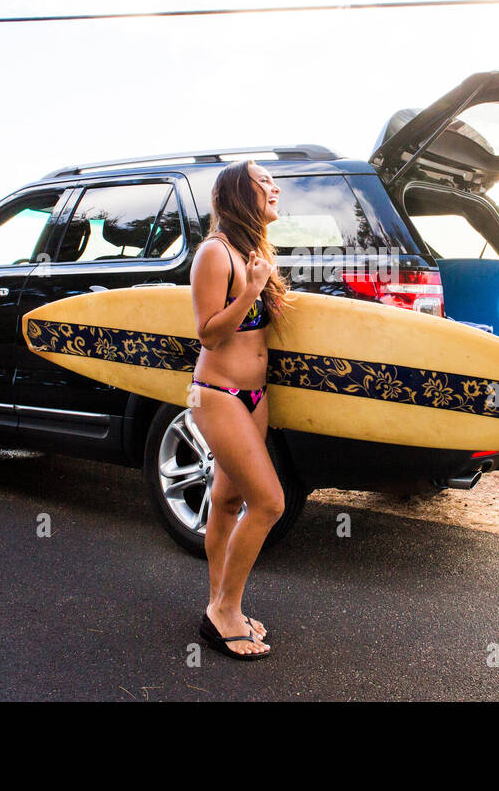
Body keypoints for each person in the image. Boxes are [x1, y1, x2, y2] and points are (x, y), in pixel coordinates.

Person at [188, 159, 288, 658]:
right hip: (218, 394)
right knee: (269, 502)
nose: (275, 186)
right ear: (237, 195)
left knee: (228, 502)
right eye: (263, 181)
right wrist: (250, 290)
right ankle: (224, 612)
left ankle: (218, 604)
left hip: (255, 396)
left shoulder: (254, 250)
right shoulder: (215, 253)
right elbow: (208, 331)